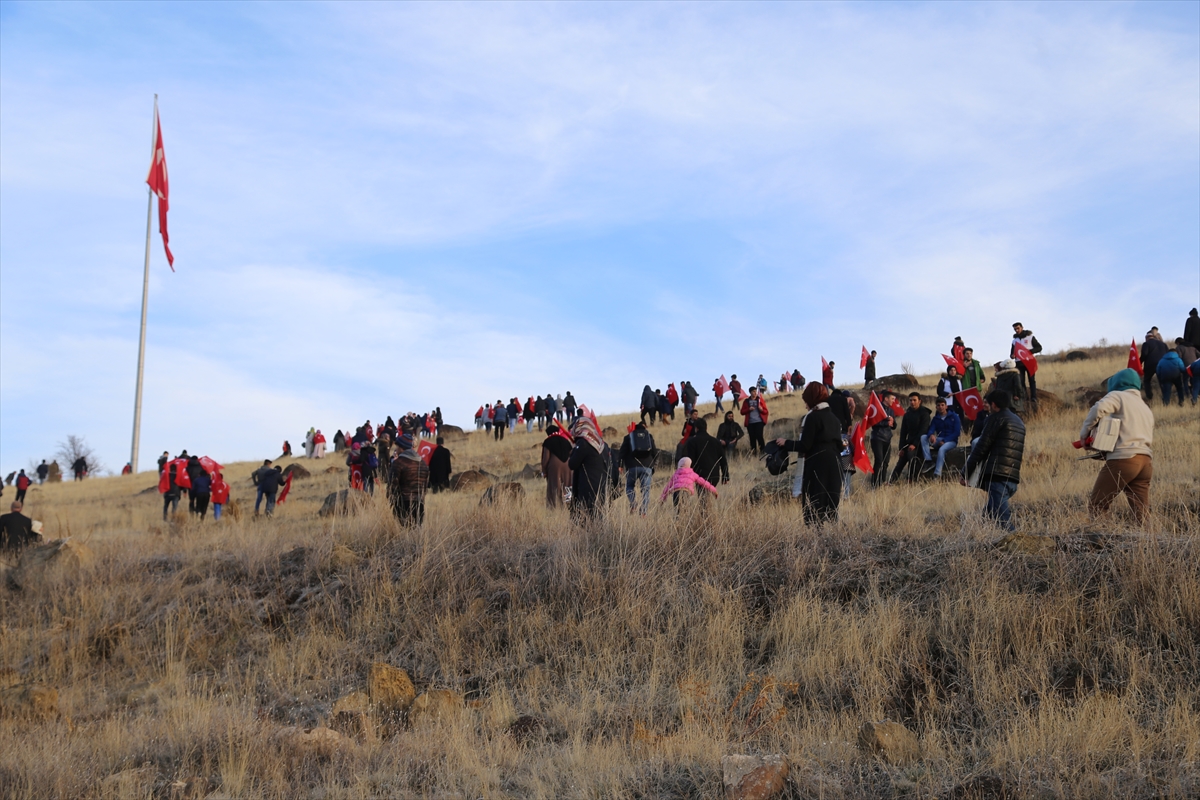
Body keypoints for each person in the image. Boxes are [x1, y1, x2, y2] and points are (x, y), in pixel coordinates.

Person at [1080, 369, 1154, 525]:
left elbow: (1098, 409)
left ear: (1116, 383)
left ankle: (1100, 537)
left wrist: (1084, 434)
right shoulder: (1144, 406)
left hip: (1124, 459)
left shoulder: (1118, 396)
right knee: (1141, 512)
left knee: (1098, 504)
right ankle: (1148, 538)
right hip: (1145, 461)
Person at [775, 382, 843, 525]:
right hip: (835, 462)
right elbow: (840, 446)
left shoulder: (812, 417)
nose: (805, 404)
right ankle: (832, 533)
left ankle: (815, 534)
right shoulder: (835, 419)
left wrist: (786, 443)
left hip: (818, 463)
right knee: (831, 502)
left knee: (814, 503)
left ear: (812, 399)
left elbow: (805, 445)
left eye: (806, 400)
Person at [962, 390, 1025, 530]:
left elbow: (981, 448)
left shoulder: (995, 418)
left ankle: (1018, 542)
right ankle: (980, 538)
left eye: (989, 404)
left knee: (1003, 522)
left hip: (997, 475)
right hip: (1012, 476)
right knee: (987, 516)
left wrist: (965, 473)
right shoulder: (1018, 421)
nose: (987, 407)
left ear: (994, 405)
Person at [567, 415, 609, 521]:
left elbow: (572, 464)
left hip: (587, 486)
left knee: (587, 518)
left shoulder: (583, 443)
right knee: (599, 516)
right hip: (602, 485)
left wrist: (573, 450)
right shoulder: (600, 442)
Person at [890, 393, 932, 483]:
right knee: (901, 460)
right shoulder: (907, 414)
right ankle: (891, 481)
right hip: (909, 442)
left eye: (914, 400)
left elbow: (923, 430)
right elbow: (903, 432)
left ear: (919, 401)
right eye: (910, 400)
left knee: (911, 456)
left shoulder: (925, 414)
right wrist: (901, 448)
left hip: (921, 442)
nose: (912, 402)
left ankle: (911, 479)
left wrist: (915, 444)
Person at [389, 434, 429, 525]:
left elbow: (392, 485)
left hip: (402, 503)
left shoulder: (398, 463)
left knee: (403, 530)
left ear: (401, 447)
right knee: (416, 530)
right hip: (419, 503)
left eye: (397, 446)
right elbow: (425, 486)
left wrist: (392, 501)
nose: (396, 449)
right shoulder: (423, 463)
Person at [619, 421, 657, 515]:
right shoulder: (649, 436)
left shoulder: (628, 437)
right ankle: (643, 512)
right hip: (647, 466)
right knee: (645, 490)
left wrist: (620, 465)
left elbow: (622, 453)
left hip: (632, 467)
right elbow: (654, 452)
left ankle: (633, 504)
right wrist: (653, 464)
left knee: (629, 487)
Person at [921, 398, 961, 478]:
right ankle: (928, 461)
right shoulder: (936, 419)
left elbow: (957, 433)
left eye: (942, 405)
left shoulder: (954, 417)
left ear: (946, 406)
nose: (941, 407)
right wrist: (931, 435)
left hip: (951, 441)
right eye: (938, 405)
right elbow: (931, 429)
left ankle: (937, 474)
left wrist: (945, 440)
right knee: (923, 437)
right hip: (939, 439)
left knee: (942, 449)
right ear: (936, 407)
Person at [684, 418, 729, 488]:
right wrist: (725, 475)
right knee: (710, 492)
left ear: (696, 429)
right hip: (714, 475)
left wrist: (687, 476)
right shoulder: (716, 441)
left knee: (702, 494)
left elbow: (690, 460)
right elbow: (723, 460)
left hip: (699, 475)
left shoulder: (692, 442)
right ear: (706, 428)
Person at [540, 422, 574, 509]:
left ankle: (555, 506)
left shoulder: (548, 441)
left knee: (555, 485)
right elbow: (572, 453)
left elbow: (546, 458)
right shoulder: (565, 440)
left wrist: (544, 471)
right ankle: (568, 504)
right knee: (567, 485)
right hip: (568, 466)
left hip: (554, 466)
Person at [869, 390, 897, 487]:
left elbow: (894, 426)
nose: (893, 401)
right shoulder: (877, 408)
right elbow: (873, 422)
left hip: (887, 438)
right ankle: (874, 483)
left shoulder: (891, 411)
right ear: (886, 398)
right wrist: (886, 423)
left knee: (886, 462)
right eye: (892, 399)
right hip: (877, 438)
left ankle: (883, 481)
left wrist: (893, 422)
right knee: (879, 460)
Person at [1010, 322, 1042, 403]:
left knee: (1031, 380)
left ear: (1022, 327)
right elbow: (1011, 353)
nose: (1016, 330)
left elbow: (1039, 347)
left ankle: (1033, 397)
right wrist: (1012, 355)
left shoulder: (1030, 337)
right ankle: (1024, 397)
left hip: (1029, 361)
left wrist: (1029, 351)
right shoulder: (1014, 341)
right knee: (1021, 381)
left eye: (1018, 328)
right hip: (1019, 363)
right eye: (1015, 329)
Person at [1139, 331, 1169, 403]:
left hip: (1150, 365)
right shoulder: (1163, 344)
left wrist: (1139, 362)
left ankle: (1149, 397)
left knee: (1147, 380)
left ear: (1146, 338)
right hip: (1163, 364)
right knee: (1162, 381)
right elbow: (1168, 353)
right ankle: (1166, 398)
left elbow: (1144, 354)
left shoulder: (1146, 344)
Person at [741, 386, 770, 455]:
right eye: (753, 391)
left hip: (759, 421)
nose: (755, 393)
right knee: (752, 438)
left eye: (755, 391)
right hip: (750, 423)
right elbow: (742, 412)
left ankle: (763, 451)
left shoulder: (760, 400)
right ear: (750, 392)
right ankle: (754, 452)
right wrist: (748, 409)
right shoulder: (746, 401)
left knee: (759, 436)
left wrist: (761, 410)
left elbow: (766, 411)